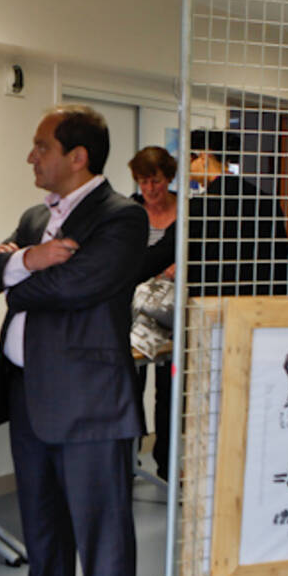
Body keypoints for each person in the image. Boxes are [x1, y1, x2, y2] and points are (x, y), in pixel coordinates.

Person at [0, 104, 146, 576]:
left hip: (90, 401)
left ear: (78, 156)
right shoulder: (35, 218)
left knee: (102, 534)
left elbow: (78, 285)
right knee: (41, 523)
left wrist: (20, 282)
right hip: (28, 393)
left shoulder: (121, 217)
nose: (31, 157)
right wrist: (27, 260)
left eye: (41, 146)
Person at [144, 128, 288, 295]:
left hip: (211, 302)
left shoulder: (200, 208)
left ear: (204, 156)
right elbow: (281, 265)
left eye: (189, 159)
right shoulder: (266, 202)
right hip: (259, 303)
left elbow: (162, 254)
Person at [128, 146, 178, 480]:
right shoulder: (130, 212)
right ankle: (129, 459)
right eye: (143, 181)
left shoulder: (187, 213)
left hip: (173, 313)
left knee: (169, 392)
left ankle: (166, 465)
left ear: (169, 178)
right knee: (132, 384)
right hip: (135, 312)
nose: (149, 188)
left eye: (155, 181)